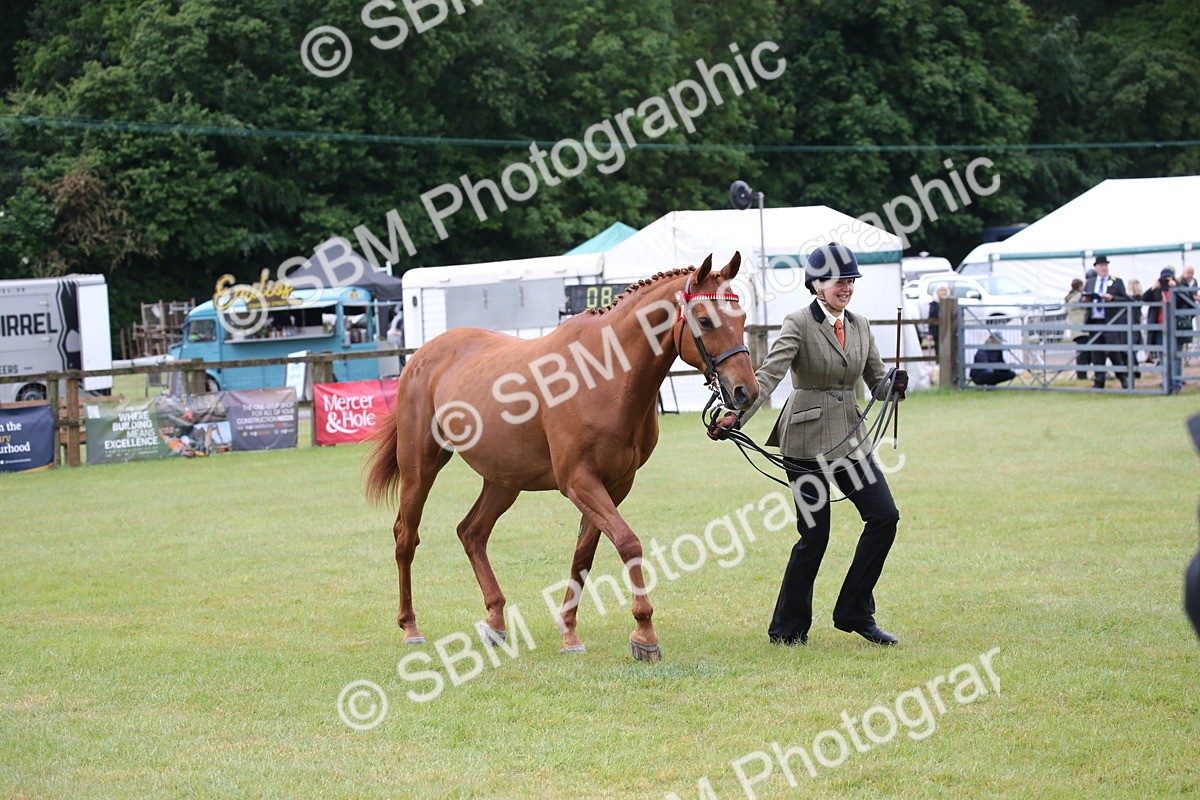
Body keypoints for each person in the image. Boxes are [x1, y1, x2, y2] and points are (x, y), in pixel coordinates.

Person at [710, 243, 907, 647]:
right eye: (838, 280)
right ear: (817, 284)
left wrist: (894, 386)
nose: (846, 287)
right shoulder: (797, 322)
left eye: (851, 280)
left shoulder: (861, 326)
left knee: (885, 517)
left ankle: (854, 611)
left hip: (851, 439)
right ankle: (788, 628)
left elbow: (877, 381)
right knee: (815, 536)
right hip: (805, 439)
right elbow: (768, 375)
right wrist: (737, 414)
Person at [1082, 255, 1131, 389]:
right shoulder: (1091, 282)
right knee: (1096, 352)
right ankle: (1099, 380)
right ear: (1096, 267)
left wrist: (1112, 298)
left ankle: (1122, 377)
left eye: (1105, 265)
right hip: (1095, 321)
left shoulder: (1116, 282)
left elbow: (1126, 300)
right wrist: (1086, 300)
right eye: (1101, 265)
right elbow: (1083, 299)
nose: (1103, 267)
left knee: (1113, 350)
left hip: (1110, 321)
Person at [1142, 267, 1190, 393]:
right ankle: (1166, 383)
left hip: (1175, 328)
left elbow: (1188, 300)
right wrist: (1154, 287)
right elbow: (1143, 299)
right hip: (1159, 329)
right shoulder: (1157, 291)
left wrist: (1176, 288)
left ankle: (1176, 384)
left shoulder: (1180, 288)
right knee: (1163, 358)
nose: (1166, 281)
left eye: (1168, 278)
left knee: (1176, 357)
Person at [1065, 278, 1089, 380]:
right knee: (1083, 354)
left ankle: (1081, 375)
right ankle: (1082, 375)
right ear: (1080, 287)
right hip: (1083, 329)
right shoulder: (1079, 297)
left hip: (1076, 330)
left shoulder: (1069, 298)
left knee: (1081, 354)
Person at [927, 285, 948, 357]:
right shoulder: (933, 305)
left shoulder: (949, 303)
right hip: (937, 330)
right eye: (941, 291)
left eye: (944, 290)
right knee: (938, 346)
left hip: (947, 329)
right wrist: (930, 332)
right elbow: (931, 318)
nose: (943, 293)